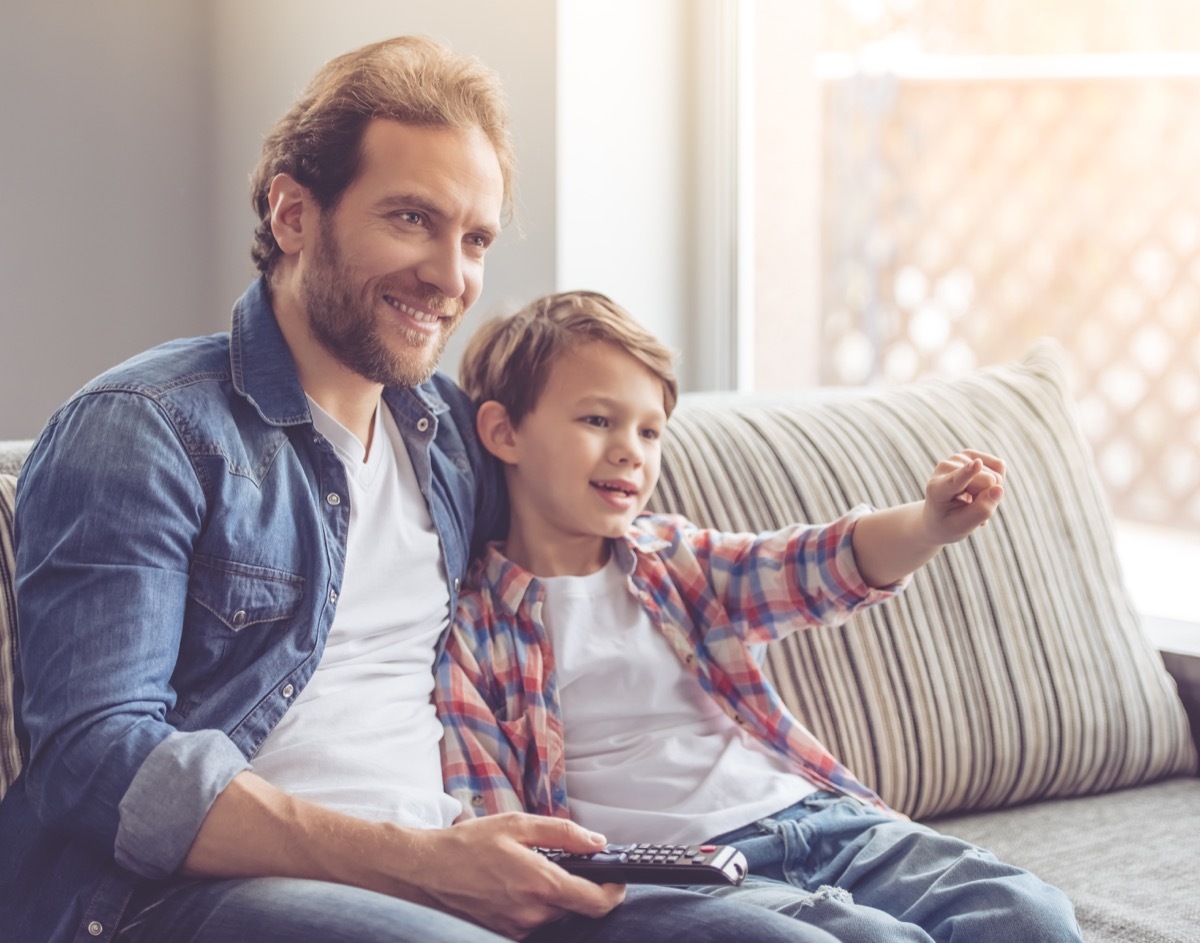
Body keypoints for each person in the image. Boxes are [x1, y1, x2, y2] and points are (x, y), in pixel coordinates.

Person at [0, 37, 844, 943]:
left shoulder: (449, 438)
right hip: (186, 902)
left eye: (474, 237)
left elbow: (580, 557)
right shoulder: (144, 428)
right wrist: (420, 862)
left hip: (458, 866)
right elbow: (98, 763)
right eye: (411, 219)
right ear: (292, 212)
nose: (452, 278)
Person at [436, 290, 1086, 943]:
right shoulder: (471, 631)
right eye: (599, 420)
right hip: (684, 876)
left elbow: (813, 565)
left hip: (822, 820)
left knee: (1028, 915)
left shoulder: (676, 559)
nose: (632, 450)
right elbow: (499, 834)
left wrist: (927, 523)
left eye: (649, 429)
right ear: (504, 431)